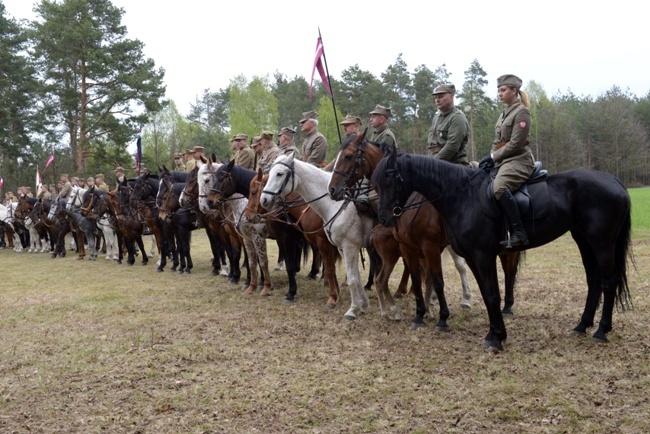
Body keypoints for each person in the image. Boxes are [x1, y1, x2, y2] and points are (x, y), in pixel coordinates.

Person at [478, 74, 534, 248]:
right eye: (498, 91)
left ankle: (519, 233)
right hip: (503, 161)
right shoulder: (503, 114)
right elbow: (497, 141)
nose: (499, 94)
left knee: (499, 187)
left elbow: (516, 143)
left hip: (519, 160)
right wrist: (490, 158)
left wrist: (494, 157)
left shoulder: (522, 112)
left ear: (514, 90)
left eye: (503, 90)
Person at [427, 84, 470, 166]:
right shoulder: (436, 117)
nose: (437, 100)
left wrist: (432, 163)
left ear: (451, 97)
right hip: (435, 162)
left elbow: (452, 146)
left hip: (453, 164)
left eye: (441, 97)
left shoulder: (457, 117)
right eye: (436, 98)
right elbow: (431, 145)